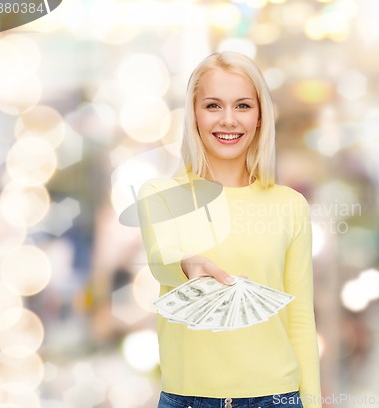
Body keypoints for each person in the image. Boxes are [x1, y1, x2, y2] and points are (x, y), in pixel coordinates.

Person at [137, 51, 322, 408]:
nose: (228, 120)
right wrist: (188, 265)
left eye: (242, 106)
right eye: (212, 106)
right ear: (193, 114)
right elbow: (161, 257)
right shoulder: (160, 195)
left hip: (276, 399)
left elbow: (300, 321)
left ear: (259, 116)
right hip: (188, 399)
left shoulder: (289, 205)